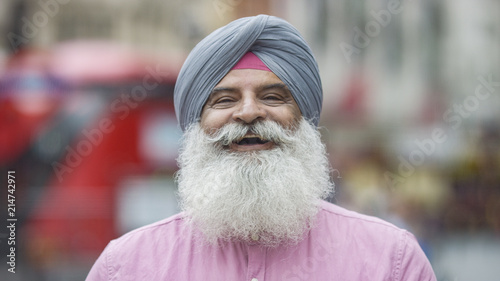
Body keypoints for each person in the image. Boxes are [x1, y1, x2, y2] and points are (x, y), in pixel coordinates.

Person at [86, 15, 436, 281]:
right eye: (224, 99)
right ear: (195, 125)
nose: (250, 112)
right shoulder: (126, 267)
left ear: (304, 120)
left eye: (272, 96)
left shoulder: (391, 261)